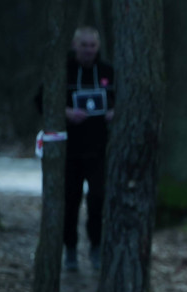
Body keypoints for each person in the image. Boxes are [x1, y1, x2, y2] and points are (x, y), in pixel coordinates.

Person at [36, 26, 115, 272]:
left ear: (98, 47)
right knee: (70, 201)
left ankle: (96, 247)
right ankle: (69, 250)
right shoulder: (62, 72)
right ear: (74, 46)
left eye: (92, 45)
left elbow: (124, 100)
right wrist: (65, 113)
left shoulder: (109, 72)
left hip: (101, 150)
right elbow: (40, 101)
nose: (89, 50)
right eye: (84, 45)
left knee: (98, 200)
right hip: (69, 151)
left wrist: (115, 112)